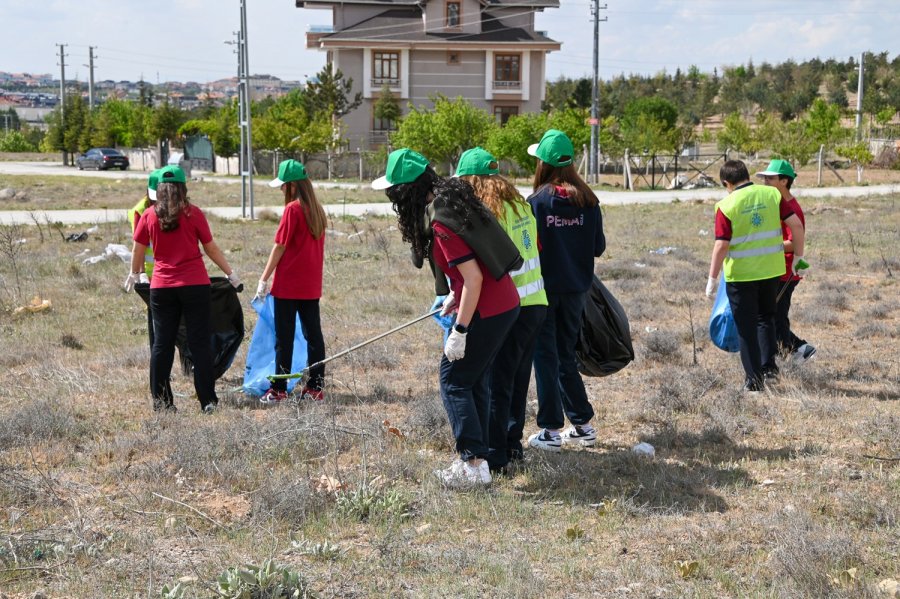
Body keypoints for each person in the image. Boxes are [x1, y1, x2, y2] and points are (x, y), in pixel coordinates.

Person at [372, 148, 520, 488]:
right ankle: (479, 461)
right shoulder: (450, 198)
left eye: (394, 192)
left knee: (453, 380)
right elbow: (473, 265)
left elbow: (475, 279)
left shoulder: (440, 221)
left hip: (489, 308)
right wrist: (454, 292)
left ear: (405, 190)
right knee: (473, 379)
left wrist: (461, 330)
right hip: (502, 303)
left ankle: (473, 464)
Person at [454, 147, 547, 472]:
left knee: (495, 382)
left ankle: (495, 455)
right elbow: (534, 248)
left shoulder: (488, 210)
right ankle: (512, 444)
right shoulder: (520, 204)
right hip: (537, 302)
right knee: (518, 378)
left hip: (511, 306)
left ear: (472, 180)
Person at [125, 165, 240, 413]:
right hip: (195, 286)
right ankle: (208, 401)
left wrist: (136, 273)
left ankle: (162, 403)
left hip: (163, 287)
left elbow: (137, 248)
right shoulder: (194, 214)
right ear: (183, 187)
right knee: (199, 343)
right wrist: (230, 273)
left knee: (162, 344)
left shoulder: (149, 215)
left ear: (159, 190)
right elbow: (211, 248)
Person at [525, 129, 606, 452]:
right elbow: (598, 246)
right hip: (576, 291)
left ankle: (550, 430)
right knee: (565, 355)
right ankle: (583, 424)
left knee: (545, 356)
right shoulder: (589, 200)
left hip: (543, 291)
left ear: (542, 164)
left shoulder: (537, 203)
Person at [706, 159, 805, 392]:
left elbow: (721, 245)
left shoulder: (726, 205)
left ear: (726, 183)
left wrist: (712, 279)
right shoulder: (772, 195)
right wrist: (798, 257)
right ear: (748, 175)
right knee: (766, 319)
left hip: (741, 276)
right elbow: (797, 227)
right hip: (771, 271)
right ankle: (769, 368)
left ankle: (754, 381)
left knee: (745, 328)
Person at [255, 159, 328, 404]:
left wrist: (263, 279)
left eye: (283, 185)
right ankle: (316, 387)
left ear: (293, 186)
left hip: (288, 286)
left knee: (283, 339)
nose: (280, 190)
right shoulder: (317, 209)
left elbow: (280, 246)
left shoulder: (292, 210)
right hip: (310, 286)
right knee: (314, 336)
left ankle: (279, 390)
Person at [756, 159, 816, 363]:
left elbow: (794, 241)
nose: (765, 182)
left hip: (787, 271)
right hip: (775, 269)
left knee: (774, 318)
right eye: (764, 178)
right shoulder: (775, 203)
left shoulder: (792, 208)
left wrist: (768, 246)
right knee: (772, 316)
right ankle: (789, 352)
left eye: (770, 178)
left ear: (784, 181)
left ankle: (801, 349)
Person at [128, 169, 160, 349]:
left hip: (168, 271)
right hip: (150, 273)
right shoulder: (141, 211)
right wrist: (139, 274)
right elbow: (138, 246)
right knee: (156, 320)